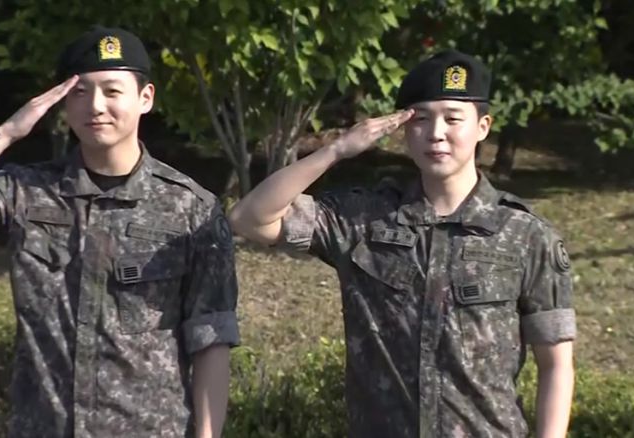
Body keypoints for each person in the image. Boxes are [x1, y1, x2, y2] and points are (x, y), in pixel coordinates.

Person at [0, 26, 239, 438]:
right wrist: (6, 134)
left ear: (145, 98)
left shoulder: (193, 209)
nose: (95, 106)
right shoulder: (24, 192)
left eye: (112, 91)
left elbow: (211, 337)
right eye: (80, 92)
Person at [228, 49, 575, 438]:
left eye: (453, 118)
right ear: (405, 130)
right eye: (421, 119)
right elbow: (250, 218)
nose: (436, 133)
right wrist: (336, 150)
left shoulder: (525, 236)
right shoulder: (363, 220)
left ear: (483, 126)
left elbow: (556, 363)